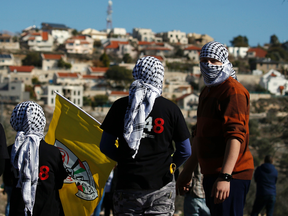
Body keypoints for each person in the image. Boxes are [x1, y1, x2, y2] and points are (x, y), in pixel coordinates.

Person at [100, 56, 191, 215]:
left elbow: (105, 146)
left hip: (127, 184)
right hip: (161, 186)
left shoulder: (120, 106)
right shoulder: (170, 109)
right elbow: (185, 150)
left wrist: (124, 159)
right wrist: (170, 165)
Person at [177, 41, 254, 216]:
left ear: (224, 61)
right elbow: (199, 136)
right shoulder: (207, 92)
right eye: (204, 60)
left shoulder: (233, 91)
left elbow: (235, 136)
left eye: (214, 60)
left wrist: (225, 176)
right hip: (211, 174)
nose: (208, 65)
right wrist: (187, 171)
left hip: (231, 175)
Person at [7, 101, 68, 216]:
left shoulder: (11, 152)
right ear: (41, 121)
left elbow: (8, 182)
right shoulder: (53, 153)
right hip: (49, 211)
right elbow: (59, 183)